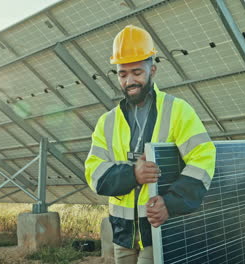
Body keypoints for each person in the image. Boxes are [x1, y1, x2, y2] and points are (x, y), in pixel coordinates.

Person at [84, 25, 216, 264]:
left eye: (137, 72)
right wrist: (133, 174)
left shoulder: (177, 110)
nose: (129, 81)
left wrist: (171, 202)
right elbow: (94, 173)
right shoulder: (107, 121)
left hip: (158, 227)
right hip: (122, 234)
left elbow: (203, 158)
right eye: (122, 74)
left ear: (152, 69)